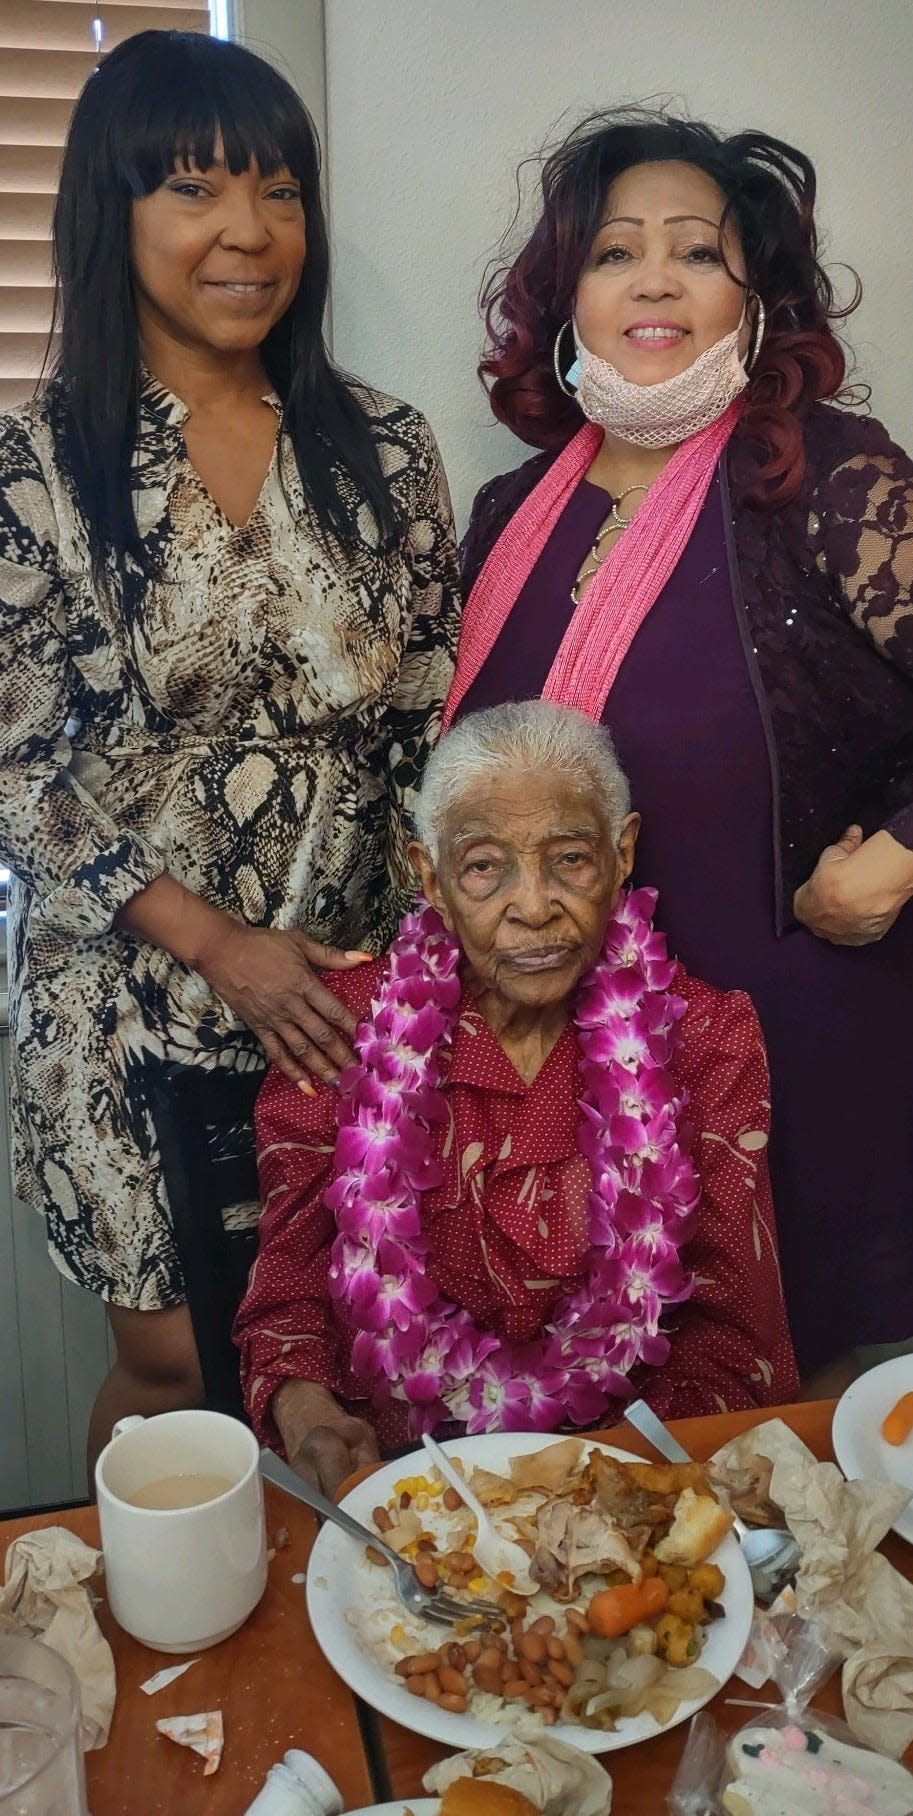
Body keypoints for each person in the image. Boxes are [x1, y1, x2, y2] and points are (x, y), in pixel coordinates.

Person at [0, 31, 459, 1466]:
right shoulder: (36, 465)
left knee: (331, 1343)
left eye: (278, 189)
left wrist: (431, 959)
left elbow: (424, 723)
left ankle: (309, 1652)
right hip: (127, 985)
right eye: (195, 188)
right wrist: (216, 943)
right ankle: (143, 1650)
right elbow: (16, 766)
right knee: (180, 1357)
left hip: (331, 991)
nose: (248, 233)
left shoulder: (382, 447)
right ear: (112, 211)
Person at [447, 108, 913, 1392]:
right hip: (576, 1095)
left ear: (754, 300)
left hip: (803, 1085)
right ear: (566, 300)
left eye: (696, 251)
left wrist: (903, 854)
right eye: (613, 253)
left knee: (796, 1506)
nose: (653, 278)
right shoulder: (508, 517)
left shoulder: (824, 477)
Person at [234, 702, 798, 1494]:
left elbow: (735, 1336)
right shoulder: (341, 1031)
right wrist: (307, 1415)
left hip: (625, 1477)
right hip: (395, 1482)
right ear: (429, 876)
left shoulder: (704, 1035)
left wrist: (586, 1498)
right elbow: (286, 1293)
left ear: (621, 851)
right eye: (482, 867)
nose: (532, 907)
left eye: (569, 859)